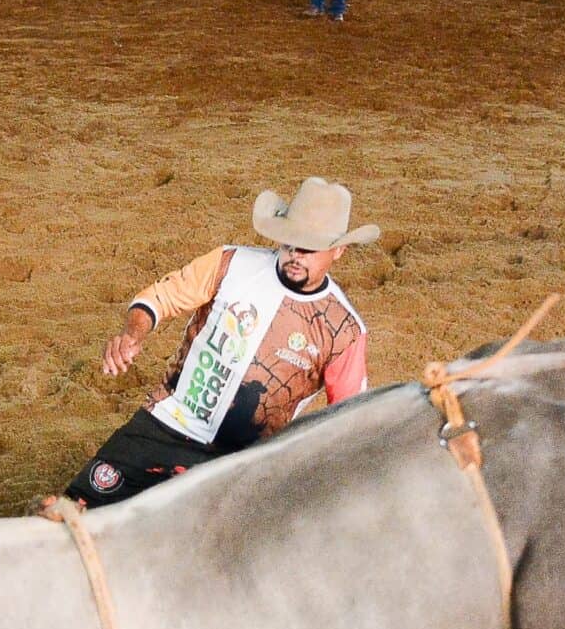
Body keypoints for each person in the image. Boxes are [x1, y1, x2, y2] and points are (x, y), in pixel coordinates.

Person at [65, 178, 377, 509]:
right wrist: (132, 334)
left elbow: (350, 417)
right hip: (167, 424)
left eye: (308, 248)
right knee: (74, 512)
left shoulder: (344, 330)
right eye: (289, 243)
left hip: (243, 462)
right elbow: (161, 297)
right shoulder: (232, 264)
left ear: (338, 251)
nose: (295, 255)